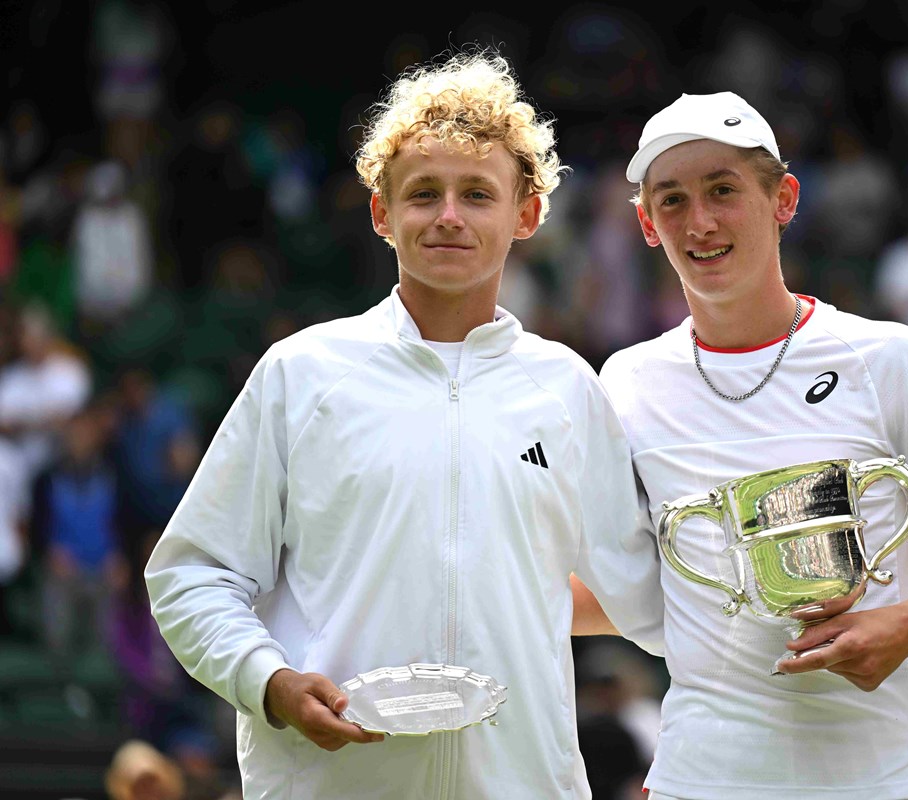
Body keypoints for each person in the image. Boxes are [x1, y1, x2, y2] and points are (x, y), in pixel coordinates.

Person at [145, 51, 663, 800]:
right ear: (383, 212)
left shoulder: (567, 389)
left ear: (526, 213)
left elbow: (643, 594)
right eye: (424, 193)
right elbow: (190, 574)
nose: (448, 215)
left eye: (476, 193)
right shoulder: (302, 374)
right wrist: (271, 682)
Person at [587, 91, 908, 799]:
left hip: (883, 781)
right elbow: (622, 588)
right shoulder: (623, 383)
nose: (701, 222)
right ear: (646, 223)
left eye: (723, 190)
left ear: (784, 198)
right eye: (673, 200)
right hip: (699, 780)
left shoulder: (891, 358)